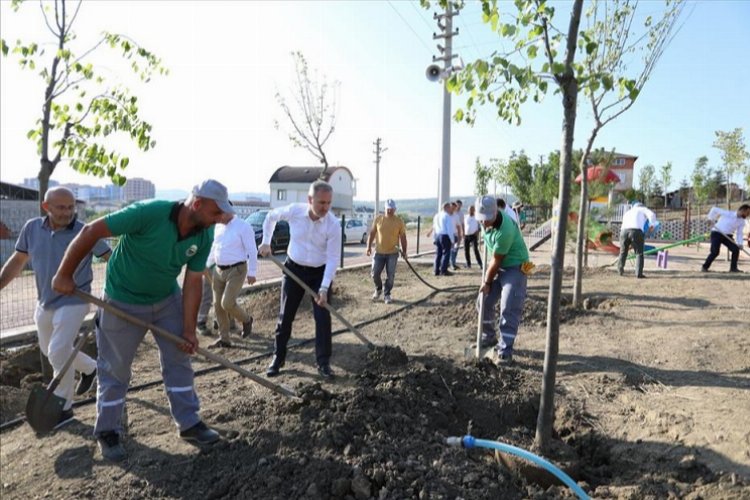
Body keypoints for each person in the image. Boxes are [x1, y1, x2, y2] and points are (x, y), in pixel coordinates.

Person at [51, 179, 233, 462]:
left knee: (179, 359)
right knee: (115, 368)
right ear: (197, 204)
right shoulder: (149, 213)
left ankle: (189, 423)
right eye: (215, 212)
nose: (220, 218)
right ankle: (108, 431)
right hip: (122, 299)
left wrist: (188, 329)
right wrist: (65, 274)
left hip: (166, 300)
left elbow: (193, 282)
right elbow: (91, 231)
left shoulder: (203, 233)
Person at [0, 187, 111, 428]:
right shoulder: (32, 228)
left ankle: (65, 408)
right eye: (61, 207)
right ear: (46, 207)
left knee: (59, 350)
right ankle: (92, 369)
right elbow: (18, 261)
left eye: (71, 207)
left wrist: (116, 289)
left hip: (75, 299)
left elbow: (110, 258)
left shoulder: (86, 231)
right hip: (45, 302)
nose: (67, 212)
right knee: (49, 350)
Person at [259, 180, 341, 379]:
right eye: (321, 203)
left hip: (319, 272)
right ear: (310, 199)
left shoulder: (333, 225)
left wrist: (323, 288)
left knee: (323, 318)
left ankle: (323, 363)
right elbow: (270, 217)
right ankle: (278, 358)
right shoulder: (295, 211)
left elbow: (332, 259)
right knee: (285, 315)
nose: (325, 207)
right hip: (293, 269)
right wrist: (265, 242)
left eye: (329, 203)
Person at [475, 195, 529, 364]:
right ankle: (488, 337)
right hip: (499, 263)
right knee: (483, 301)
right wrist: (487, 281)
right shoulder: (485, 220)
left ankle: (505, 349)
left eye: (486, 220)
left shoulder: (505, 229)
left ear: (495, 213)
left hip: (518, 265)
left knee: (509, 305)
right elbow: (493, 257)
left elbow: (497, 260)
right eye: (481, 220)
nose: (483, 223)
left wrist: (487, 281)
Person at [206, 211, 257, 348]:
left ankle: (246, 320)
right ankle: (224, 339)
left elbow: (252, 250)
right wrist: (206, 264)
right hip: (218, 270)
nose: (217, 217)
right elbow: (214, 248)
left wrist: (252, 272)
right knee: (217, 305)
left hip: (237, 270)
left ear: (228, 211)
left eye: (219, 213)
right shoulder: (218, 227)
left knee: (227, 303)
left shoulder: (243, 226)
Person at [366, 198, 407, 304]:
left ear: (395, 209)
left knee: (391, 275)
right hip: (379, 252)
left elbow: (403, 237)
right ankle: (378, 289)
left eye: (392, 209)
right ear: (384, 209)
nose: (389, 211)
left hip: (392, 253)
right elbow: (372, 233)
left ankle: (387, 294)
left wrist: (404, 251)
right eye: (388, 209)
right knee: (375, 273)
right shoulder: (378, 219)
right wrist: (369, 246)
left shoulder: (399, 221)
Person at [701, 204, 750, 273]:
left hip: (728, 236)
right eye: (747, 212)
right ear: (742, 210)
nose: (748, 214)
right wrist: (710, 219)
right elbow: (714, 209)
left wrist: (740, 243)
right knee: (715, 252)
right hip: (717, 233)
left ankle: (733, 269)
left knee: (735, 250)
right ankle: (704, 267)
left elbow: (739, 233)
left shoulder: (742, 222)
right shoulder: (728, 213)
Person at [617, 202, 657, 278]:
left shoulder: (628, 212)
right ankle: (638, 273)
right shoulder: (642, 209)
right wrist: (652, 225)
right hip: (636, 231)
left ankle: (620, 270)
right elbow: (652, 215)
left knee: (623, 252)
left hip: (623, 231)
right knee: (639, 253)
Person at [431, 202, 455, 276]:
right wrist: (452, 240)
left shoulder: (436, 215)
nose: (451, 209)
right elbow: (449, 229)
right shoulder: (447, 216)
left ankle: (436, 270)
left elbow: (434, 227)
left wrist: (434, 238)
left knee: (438, 254)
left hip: (438, 235)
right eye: (450, 207)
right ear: (447, 208)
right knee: (446, 253)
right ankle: (443, 270)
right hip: (445, 236)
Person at [463, 204, 483, 269]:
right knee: (466, 250)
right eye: (469, 210)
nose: (470, 211)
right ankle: (468, 264)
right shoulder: (465, 217)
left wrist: (478, 231)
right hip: (466, 236)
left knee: (475, 250)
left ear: (474, 210)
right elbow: (463, 225)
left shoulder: (477, 217)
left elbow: (481, 226)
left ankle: (480, 264)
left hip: (473, 236)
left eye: (472, 209)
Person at [450, 200, 465, 270]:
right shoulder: (451, 213)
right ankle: (451, 263)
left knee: (456, 249)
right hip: (452, 233)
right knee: (451, 249)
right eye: (457, 205)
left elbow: (462, 224)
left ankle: (453, 262)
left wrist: (463, 233)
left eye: (460, 205)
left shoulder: (461, 214)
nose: (458, 207)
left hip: (458, 234)